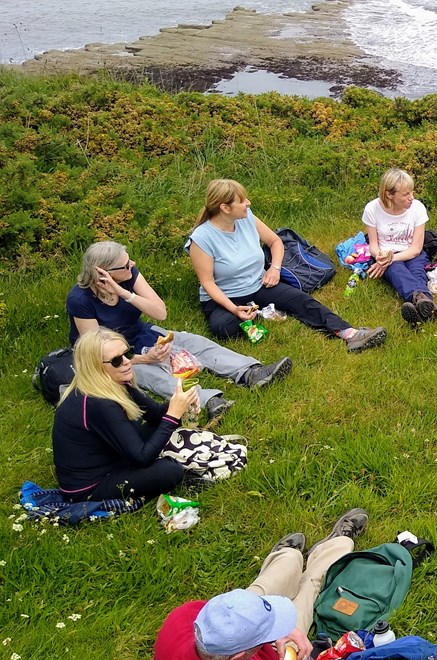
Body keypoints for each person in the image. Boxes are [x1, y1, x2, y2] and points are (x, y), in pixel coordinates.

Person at [152, 508, 367, 660]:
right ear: (238, 658)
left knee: (257, 593)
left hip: (230, 646)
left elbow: (229, 612)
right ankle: (334, 546)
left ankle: (289, 557)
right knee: (310, 589)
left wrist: (273, 628)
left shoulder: (179, 619)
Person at [66, 241, 292, 423]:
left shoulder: (128, 275)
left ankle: (251, 373)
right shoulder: (80, 299)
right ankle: (209, 400)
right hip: (112, 358)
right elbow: (96, 353)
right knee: (148, 374)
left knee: (194, 342)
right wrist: (144, 358)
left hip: (140, 332)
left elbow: (160, 312)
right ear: (104, 273)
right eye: (125, 265)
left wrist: (125, 294)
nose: (132, 264)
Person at [187, 179, 386, 352]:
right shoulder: (202, 238)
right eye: (242, 201)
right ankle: (258, 312)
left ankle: (349, 334)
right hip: (226, 297)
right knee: (223, 327)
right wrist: (233, 308)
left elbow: (275, 242)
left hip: (259, 285)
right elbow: (208, 283)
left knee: (301, 300)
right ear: (224, 208)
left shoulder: (247, 218)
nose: (248, 203)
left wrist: (274, 269)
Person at [52, 328, 199, 502]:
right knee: (170, 471)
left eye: (127, 353)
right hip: (90, 487)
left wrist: (180, 401)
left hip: (113, 456)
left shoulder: (116, 382)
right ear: (96, 367)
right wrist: (174, 414)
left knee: (163, 424)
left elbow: (154, 415)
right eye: (116, 360)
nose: (127, 362)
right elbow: (142, 458)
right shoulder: (98, 403)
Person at [362, 168, 437, 326]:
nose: (412, 197)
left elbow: (416, 249)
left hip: (412, 253)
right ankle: (425, 303)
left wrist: (388, 260)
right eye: (405, 194)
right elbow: (373, 245)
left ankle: (418, 304)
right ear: (389, 194)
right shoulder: (372, 209)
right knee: (397, 271)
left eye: (412, 192)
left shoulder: (417, 208)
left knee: (417, 272)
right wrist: (381, 257)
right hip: (386, 253)